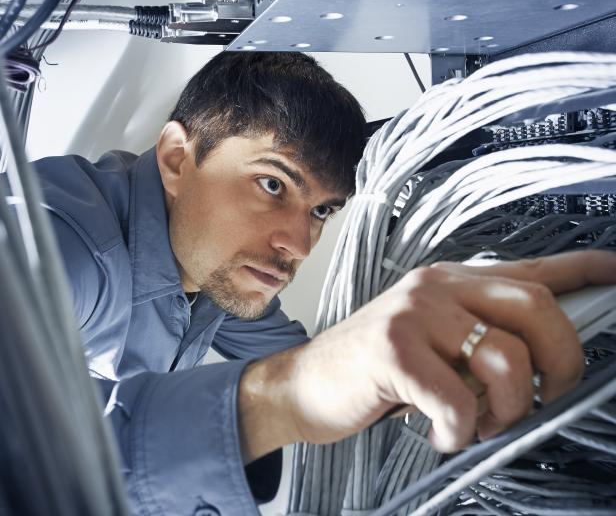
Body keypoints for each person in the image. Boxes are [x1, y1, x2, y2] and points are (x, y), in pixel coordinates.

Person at [34, 51, 616, 516]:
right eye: (272, 185)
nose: (300, 245)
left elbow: (323, 359)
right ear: (177, 157)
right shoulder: (62, 254)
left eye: (320, 211)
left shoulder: (212, 268)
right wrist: (284, 397)